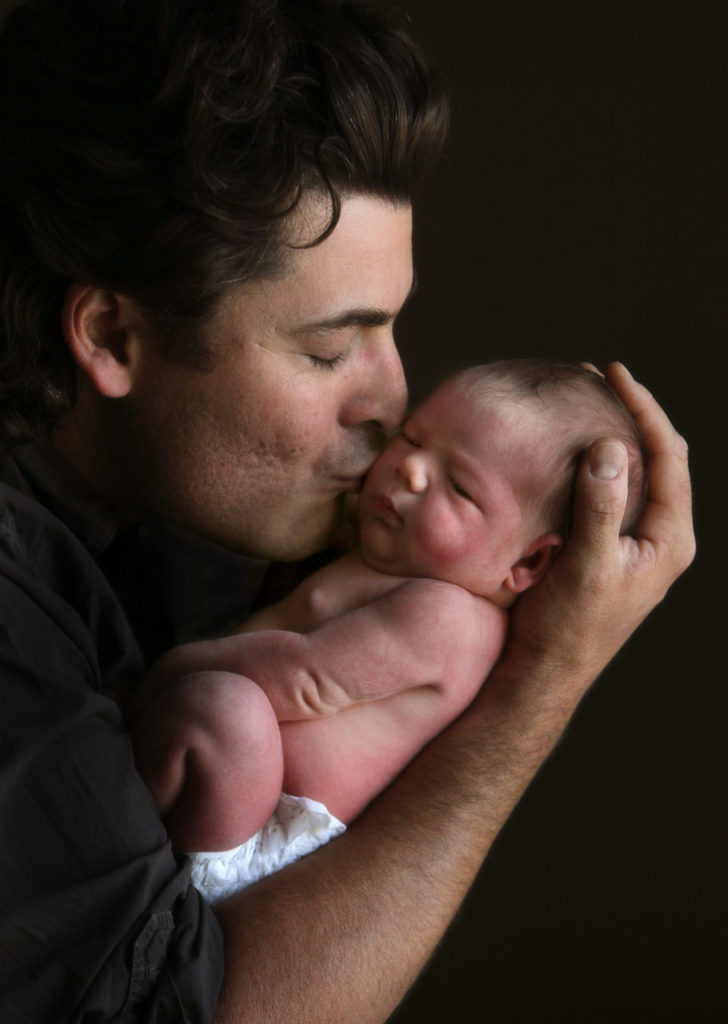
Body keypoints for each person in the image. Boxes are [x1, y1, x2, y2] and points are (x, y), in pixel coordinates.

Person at [0, 1, 694, 1022]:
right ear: (110, 336)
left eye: (391, 330)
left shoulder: (212, 539)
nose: (391, 403)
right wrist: (542, 681)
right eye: (329, 350)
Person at [130, 359, 647, 902]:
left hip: (259, 830)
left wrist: (169, 673)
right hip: (233, 786)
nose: (411, 469)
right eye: (413, 438)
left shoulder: (449, 617)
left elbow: (304, 681)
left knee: (228, 709)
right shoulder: (394, 564)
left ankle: (120, 800)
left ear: (529, 562)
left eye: (460, 487)